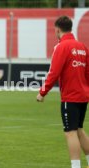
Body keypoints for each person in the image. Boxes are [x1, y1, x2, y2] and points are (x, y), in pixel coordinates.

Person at [37, 16, 89, 168]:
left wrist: (42, 92)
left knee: (70, 132)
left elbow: (54, 72)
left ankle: (75, 166)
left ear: (57, 29)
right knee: (79, 130)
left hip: (70, 96)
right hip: (83, 96)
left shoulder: (61, 47)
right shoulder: (82, 47)